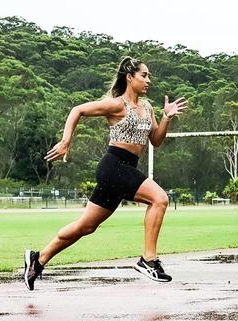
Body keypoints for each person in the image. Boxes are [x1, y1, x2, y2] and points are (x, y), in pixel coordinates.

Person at [23, 56, 188, 290]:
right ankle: (148, 260)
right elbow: (77, 110)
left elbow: (156, 140)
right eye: (144, 75)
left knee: (85, 227)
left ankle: (38, 260)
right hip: (113, 166)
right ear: (130, 78)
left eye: (149, 76)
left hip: (126, 169)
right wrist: (65, 141)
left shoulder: (147, 107)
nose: (148, 80)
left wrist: (165, 118)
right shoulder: (117, 105)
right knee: (160, 199)